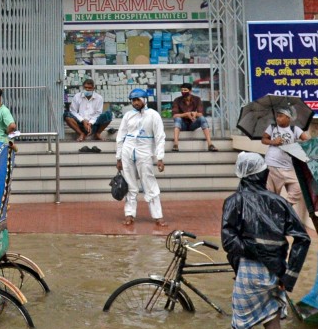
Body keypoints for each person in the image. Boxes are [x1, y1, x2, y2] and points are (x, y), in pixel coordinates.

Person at [222, 152, 310, 329]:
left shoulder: (234, 201)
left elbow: (229, 240)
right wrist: (289, 276)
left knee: (244, 328)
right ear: (263, 174)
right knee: (272, 321)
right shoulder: (280, 202)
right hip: (277, 273)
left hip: (248, 272)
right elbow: (303, 238)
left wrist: (254, 250)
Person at [115, 88, 166, 227]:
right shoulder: (128, 116)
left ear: (144, 100)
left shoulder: (153, 115)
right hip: (127, 152)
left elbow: (160, 137)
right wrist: (118, 157)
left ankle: (158, 216)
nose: (135, 103)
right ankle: (129, 214)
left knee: (150, 184)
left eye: (138, 100)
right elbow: (120, 137)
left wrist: (159, 157)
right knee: (130, 185)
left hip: (145, 153)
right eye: (133, 100)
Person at [262, 107, 310, 224]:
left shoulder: (295, 129)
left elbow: (307, 140)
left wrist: (296, 145)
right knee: (271, 194)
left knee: (297, 188)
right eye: (277, 116)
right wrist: (273, 142)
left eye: (281, 116)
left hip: (289, 167)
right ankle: (272, 221)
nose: (278, 118)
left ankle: (284, 208)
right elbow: (264, 139)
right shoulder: (272, 128)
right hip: (272, 165)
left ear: (288, 118)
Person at [171, 82, 216, 152]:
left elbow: (200, 114)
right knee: (177, 119)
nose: (183, 92)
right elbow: (174, 115)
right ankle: (175, 144)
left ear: (190, 91)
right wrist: (186, 114)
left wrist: (194, 114)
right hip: (182, 125)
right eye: (182, 90)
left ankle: (210, 144)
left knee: (202, 119)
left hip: (193, 124)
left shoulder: (197, 99)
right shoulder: (177, 100)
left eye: (185, 90)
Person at [65, 78, 113, 143]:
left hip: (94, 123)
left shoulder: (99, 98)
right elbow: (73, 111)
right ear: (83, 88)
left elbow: (98, 113)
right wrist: (83, 120)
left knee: (108, 114)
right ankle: (81, 133)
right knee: (67, 115)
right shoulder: (77, 96)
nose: (87, 89)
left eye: (89, 88)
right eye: (85, 88)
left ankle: (98, 133)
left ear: (93, 88)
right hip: (80, 123)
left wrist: (90, 123)